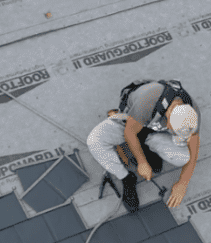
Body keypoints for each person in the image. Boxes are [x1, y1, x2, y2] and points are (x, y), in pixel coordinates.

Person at [86, 80, 200, 212]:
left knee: (183, 157)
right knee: (94, 141)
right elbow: (129, 133)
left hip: (152, 128)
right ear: (169, 120)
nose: (172, 133)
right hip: (129, 122)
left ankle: (147, 144)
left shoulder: (192, 113)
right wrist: (142, 163)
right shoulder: (147, 101)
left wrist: (182, 184)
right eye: (173, 130)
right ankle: (127, 178)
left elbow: (193, 153)